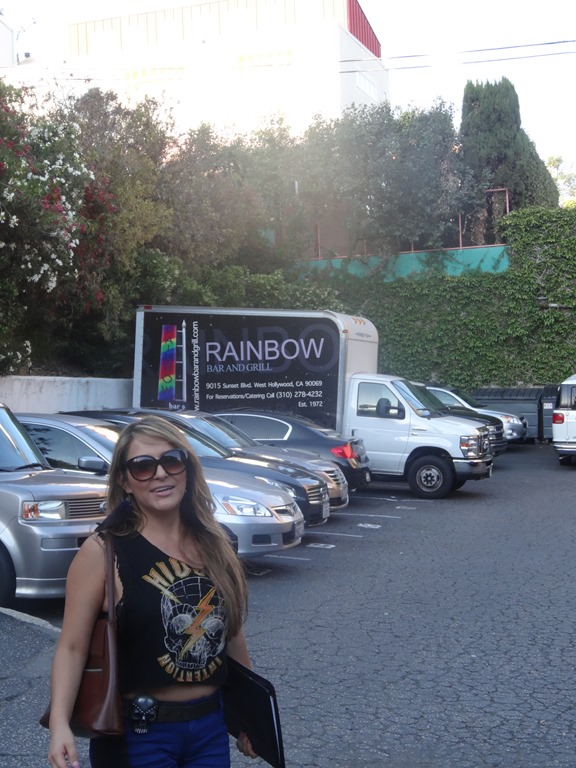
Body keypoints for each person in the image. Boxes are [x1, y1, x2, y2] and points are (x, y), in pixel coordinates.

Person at [47, 415, 256, 768]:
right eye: (143, 466)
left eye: (172, 460)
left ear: (187, 469)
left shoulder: (216, 543)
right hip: (138, 734)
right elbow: (72, 647)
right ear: (124, 481)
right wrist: (59, 726)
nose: (160, 474)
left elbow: (231, 633)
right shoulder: (103, 551)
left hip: (210, 729)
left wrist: (248, 713)